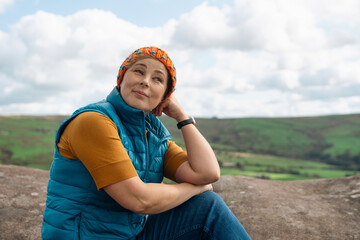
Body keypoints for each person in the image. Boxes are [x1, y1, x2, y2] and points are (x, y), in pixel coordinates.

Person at [41, 46, 251, 240]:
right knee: (204, 199)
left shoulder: (152, 134)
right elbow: (137, 199)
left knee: (208, 207)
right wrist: (195, 189)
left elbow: (208, 173)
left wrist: (182, 118)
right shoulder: (93, 121)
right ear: (122, 78)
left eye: (158, 79)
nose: (146, 81)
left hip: (131, 233)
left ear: (165, 96)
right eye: (139, 72)